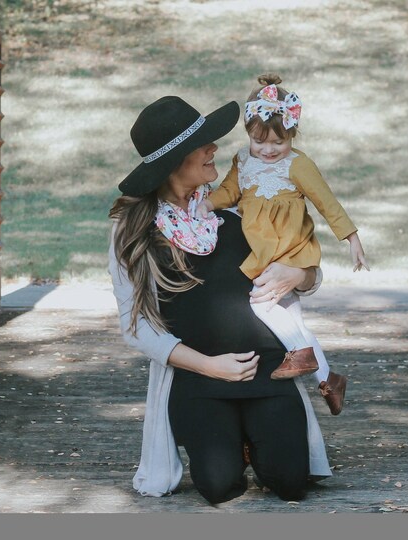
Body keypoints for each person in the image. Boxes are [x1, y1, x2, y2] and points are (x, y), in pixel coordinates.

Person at [108, 95, 332, 504]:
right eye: (204, 144)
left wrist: (299, 274)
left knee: (290, 481)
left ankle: (258, 436)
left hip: (269, 371)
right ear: (176, 160)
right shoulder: (135, 232)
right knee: (218, 484)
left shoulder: (239, 207)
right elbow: (136, 327)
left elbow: (310, 273)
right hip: (200, 375)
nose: (216, 148)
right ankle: (233, 440)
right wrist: (210, 366)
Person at [197, 73, 369, 415]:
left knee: (262, 303)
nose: (269, 149)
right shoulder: (243, 161)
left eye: (278, 141)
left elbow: (326, 201)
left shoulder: (297, 164)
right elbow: (231, 191)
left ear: (291, 134)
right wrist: (208, 204)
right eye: (260, 141)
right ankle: (328, 380)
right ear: (248, 134)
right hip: (262, 250)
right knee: (294, 322)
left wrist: (351, 238)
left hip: (289, 248)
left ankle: (301, 357)